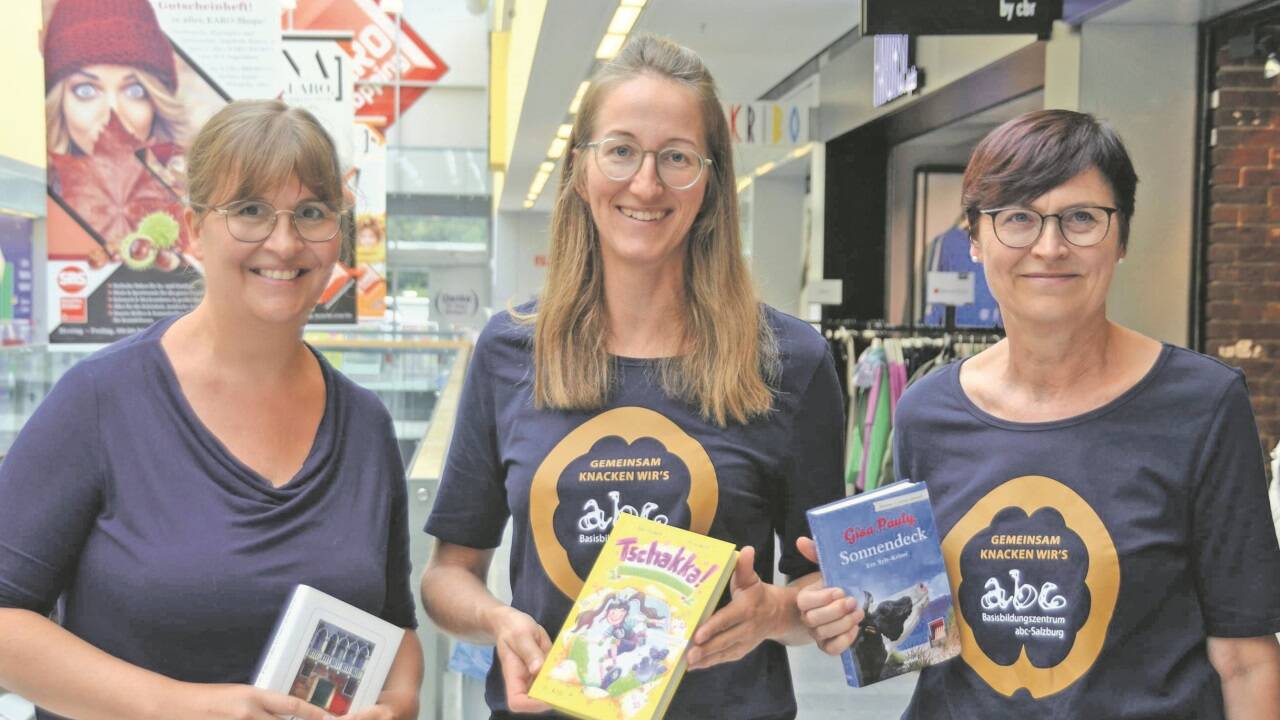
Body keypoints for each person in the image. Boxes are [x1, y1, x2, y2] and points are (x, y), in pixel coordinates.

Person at [797, 109, 1280, 718]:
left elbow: (1246, 658)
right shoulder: (927, 411)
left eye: (1081, 218)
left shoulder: (1202, 405)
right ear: (974, 239)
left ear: (1122, 236)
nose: (1050, 248)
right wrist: (848, 612)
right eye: (1018, 219)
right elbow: (917, 632)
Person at [421, 34, 844, 719]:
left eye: (676, 157)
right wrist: (498, 621)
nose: (645, 184)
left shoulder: (789, 361)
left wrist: (774, 612)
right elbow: (447, 574)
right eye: (620, 150)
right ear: (582, 169)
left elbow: (829, 590)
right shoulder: (509, 351)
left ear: (709, 180)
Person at [0, 100, 423, 720]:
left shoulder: (364, 426)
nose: (284, 242)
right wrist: (181, 707)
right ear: (194, 227)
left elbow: (393, 626)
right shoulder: (101, 401)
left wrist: (401, 699)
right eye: (250, 211)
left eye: (311, 213)